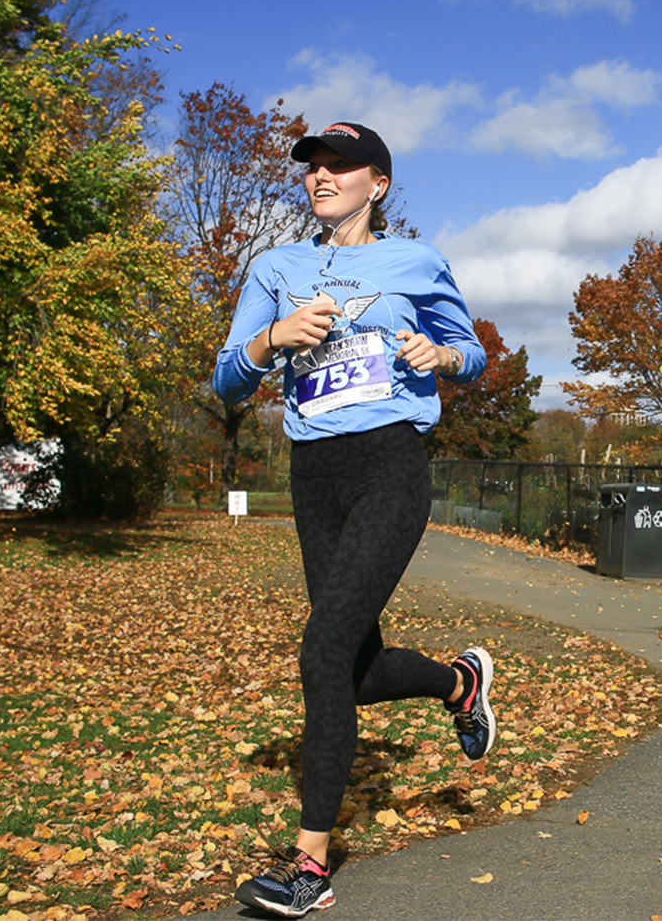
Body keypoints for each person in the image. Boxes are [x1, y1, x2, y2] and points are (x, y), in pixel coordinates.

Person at [212, 121, 494, 918]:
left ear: (378, 183)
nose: (322, 176)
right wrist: (273, 336)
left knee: (322, 648)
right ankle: (458, 682)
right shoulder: (276, 268)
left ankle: (310, 866)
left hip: (390, 467)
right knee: (353, 670)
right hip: (316, 477)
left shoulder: (416, 260)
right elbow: (227, 380)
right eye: (313, 166)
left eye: (341, 165)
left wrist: (440, 357)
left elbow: (469, 351)